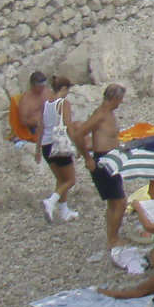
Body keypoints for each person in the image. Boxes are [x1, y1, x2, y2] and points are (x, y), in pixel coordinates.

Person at [75, 84, 130, 252]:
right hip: (103, 161)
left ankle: (112, 236)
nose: (121, 103)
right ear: (113, 98)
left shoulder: (108, 113)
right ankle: (113, 239)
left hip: (112, 160)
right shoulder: (100, 115)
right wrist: (87, 158)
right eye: (120, 99)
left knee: (113, 203)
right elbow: (79, 134)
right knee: (120, 202)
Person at [38, 76, 80, 223]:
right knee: (70, 180)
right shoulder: (63, 103)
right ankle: (50, 202)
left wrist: (37, 151)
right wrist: (78, 146)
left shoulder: (46, 104)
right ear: (63, 89)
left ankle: (64, 211)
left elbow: (41, 127)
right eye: (68, 89)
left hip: (46, 145)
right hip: (59, 144)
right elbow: (69, 126)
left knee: (61, 180)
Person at [17, 71, 51, 144]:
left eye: (43, 85)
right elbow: (23, 121)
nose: (42, 88)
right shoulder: (25, 100)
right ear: (33, 85)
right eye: (39, 86)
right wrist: (38, 122)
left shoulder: (47, 92)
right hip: (36, 127)